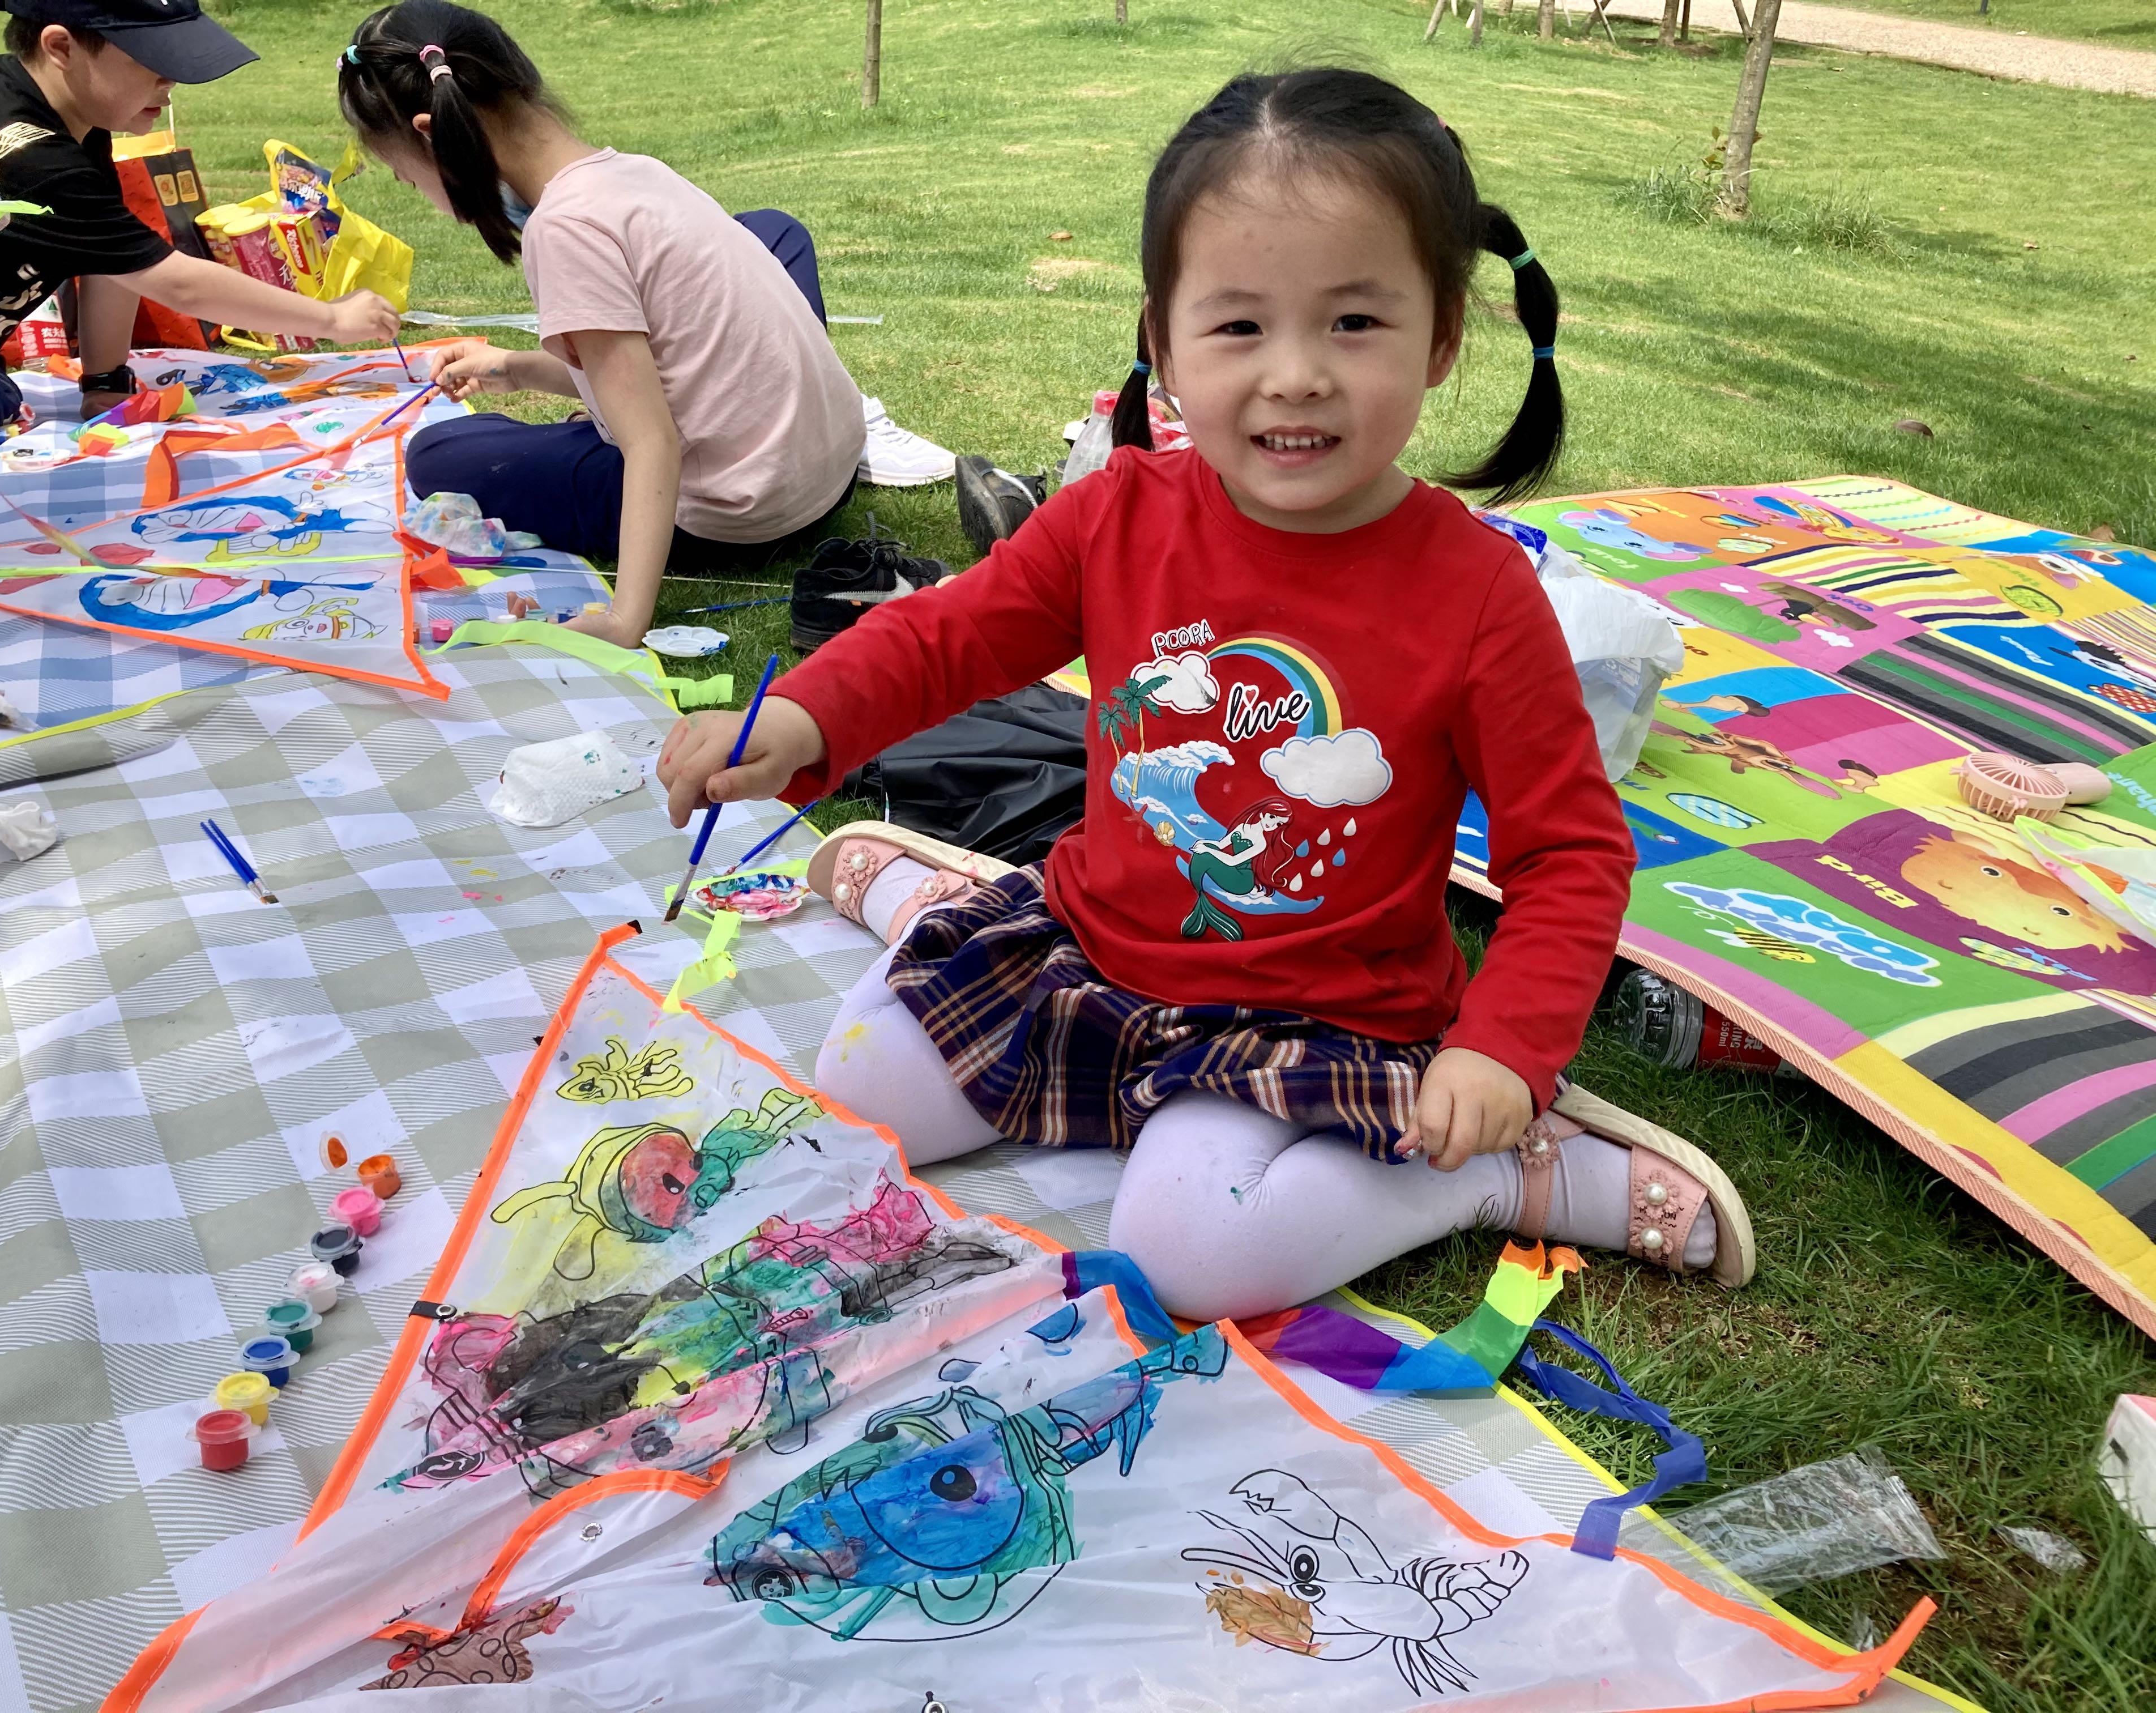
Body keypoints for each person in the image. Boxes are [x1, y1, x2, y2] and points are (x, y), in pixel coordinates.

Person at [656, 68, 1756, 1322]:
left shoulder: (1478, 595)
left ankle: (1512, 1171)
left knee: (1185, 1256)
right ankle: (930, 894)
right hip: (1093, 952)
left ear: (1444, 337)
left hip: (1323, 1013)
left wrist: (1503, 1049)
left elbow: (1568, 856)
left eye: (1354, 322)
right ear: (1163, 342)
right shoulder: (1116, 517)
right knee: (856, 1091)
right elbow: (946, 638)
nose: (1296, 375)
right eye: (1239, 326)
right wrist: (802, 717)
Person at [335, 0, 871, 651]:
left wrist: (624, 620)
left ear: (433, 137)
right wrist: (513, 367)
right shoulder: (634, 171)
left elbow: (652, 441)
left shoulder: (564, 229)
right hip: (830, 471)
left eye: (405, 177)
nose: (413, 189)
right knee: (767, 230)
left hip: (741, 512)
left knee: (441, 454)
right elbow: (661, 358)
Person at [0, 1, 401, 456]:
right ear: (60, 47)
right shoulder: (38, 159)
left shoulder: (44, 109)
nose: (170, 83)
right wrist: (331, 317)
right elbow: (178, 283)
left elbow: (115, 260)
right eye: (152, 62)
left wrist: (104, 380)